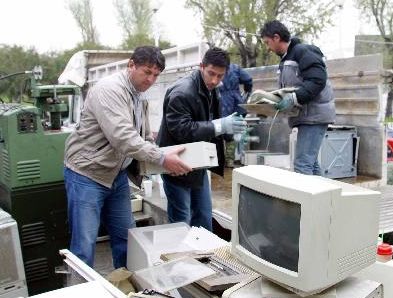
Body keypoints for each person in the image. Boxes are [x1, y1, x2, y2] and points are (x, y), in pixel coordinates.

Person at [64, 46, 192, 269]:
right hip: (87, 174)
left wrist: (160, 160)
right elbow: (123, 138)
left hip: (116, 176)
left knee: (127, 239)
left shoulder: (137, 96)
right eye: (147, 72)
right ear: (131, 65)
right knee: (84, 245)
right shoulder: (110, 90)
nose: (151, 79)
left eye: (156, 75)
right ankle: (82, 295)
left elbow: (143, 137)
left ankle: (125, 286)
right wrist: (162, 158)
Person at [156, 47, 247, 231]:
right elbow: (181, 129)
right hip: (176, 161)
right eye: (211, 73)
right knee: (181, 219)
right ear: (201, 66)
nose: (214, 80)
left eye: (220, 76)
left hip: (198, 162)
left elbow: (211, 119)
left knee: (204, 216)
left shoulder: (212, 89)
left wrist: (230, 132)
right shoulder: (182, 92)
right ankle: (181, 257)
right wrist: (220, 125)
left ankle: (203, 257)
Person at [260, 20, 335, 175]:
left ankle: (308, 200)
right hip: (306, 116)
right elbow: (290, 87)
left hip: (314, 116)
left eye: (267, 43)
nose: (268, 48)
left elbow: (317, 80)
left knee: (302, 165)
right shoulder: (286, 59)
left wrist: (294, 98)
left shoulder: (302, 51)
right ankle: (325, 199)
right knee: (311, 164)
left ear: (276, 37)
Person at [219, 63, 253, 166]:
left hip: (219, 100)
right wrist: (247, 90)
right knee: (232, 130)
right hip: (235, 102)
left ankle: (219, 161)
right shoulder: (235, 67)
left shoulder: (215, 67)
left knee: (217, 130)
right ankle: (230, 160)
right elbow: (248, 80)